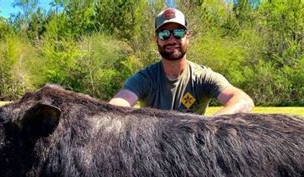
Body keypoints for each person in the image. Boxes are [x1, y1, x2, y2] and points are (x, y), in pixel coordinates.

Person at [109, 7, 254, 115]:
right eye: (164, 34)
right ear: (156, 40)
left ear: (187, 37)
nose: (172, 39)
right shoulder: (144, 78)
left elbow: (243, 101)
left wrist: (209, 125)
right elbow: (117, 106)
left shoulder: (203, 77)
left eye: (178, 33)